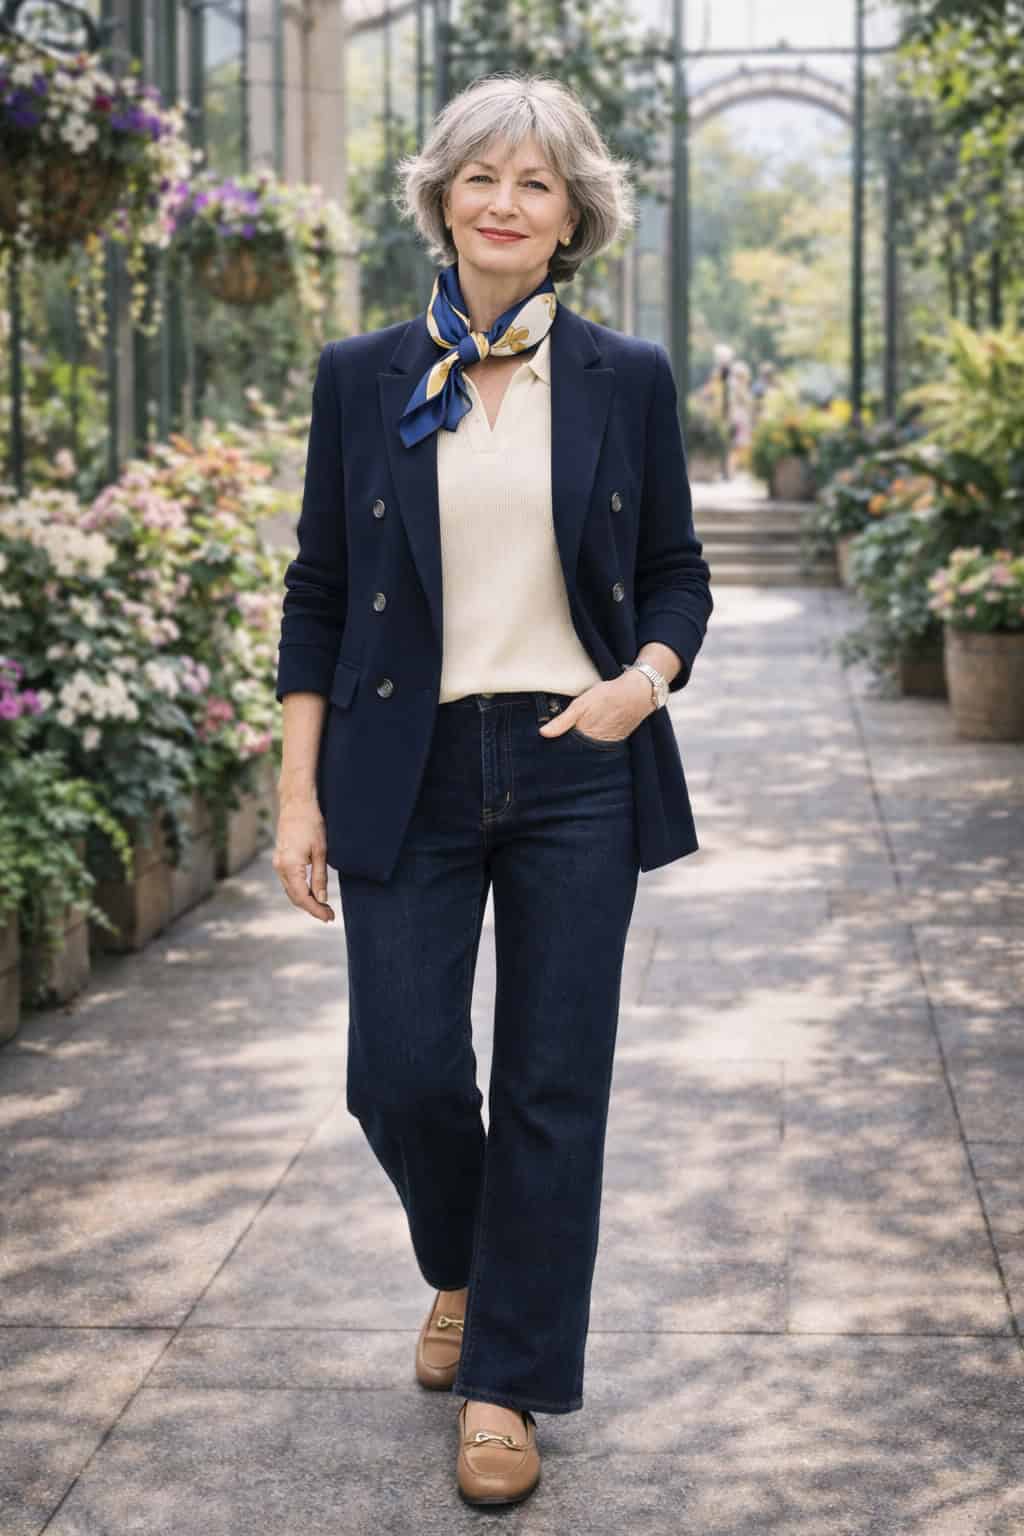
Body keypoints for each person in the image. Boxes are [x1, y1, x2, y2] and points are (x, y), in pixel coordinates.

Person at [272, 71, 712, 1509]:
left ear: (572, 213)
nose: (505, 202)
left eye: (536, 182)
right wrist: (297, 794)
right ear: (441, 199)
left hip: (577, 755)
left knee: (550, 1082)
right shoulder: (361, 376)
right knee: (396, 1071)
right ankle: (462, 1269)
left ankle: (505, 1383)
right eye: (481, 177)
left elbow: (675, 580)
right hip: (402, 763)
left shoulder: (627, 378)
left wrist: (641, 681)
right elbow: (321, 591)